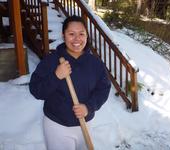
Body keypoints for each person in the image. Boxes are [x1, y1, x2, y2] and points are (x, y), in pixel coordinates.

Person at [29, 15, 111, 150]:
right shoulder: (51, 61)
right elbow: (36, 90)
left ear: (87, 35)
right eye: (71, 34)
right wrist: (56, 76)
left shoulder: (95, 63)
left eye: (81, 34)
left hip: (86, 124)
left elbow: (103, 89)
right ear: (63, 35)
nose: (77, 39)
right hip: (58, 127)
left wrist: (88, 107)